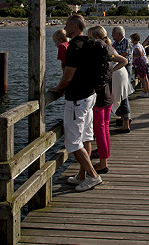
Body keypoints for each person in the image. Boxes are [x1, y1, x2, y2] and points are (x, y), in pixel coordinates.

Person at [48, 14, 103, 192]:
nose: (64, 28)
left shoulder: (74, 47)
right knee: (86, 135)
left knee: (73, 141)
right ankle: (82, 175)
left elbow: (67, 76)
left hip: (77, 98)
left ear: (74, 26)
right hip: (90, 95)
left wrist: (57, 89)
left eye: (66, 25)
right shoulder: (89, 43)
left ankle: (93, 176)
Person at [86, 25, 127, 173]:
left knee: (99, 129)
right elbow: (124, 61)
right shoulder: (109, 49)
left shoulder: (97, 51)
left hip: (100, 95)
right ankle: (105, 158)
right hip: (109, 93)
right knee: (105, 128)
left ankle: (103, 163)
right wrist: (111, 71)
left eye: (89, 37)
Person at [111, 26, 134, 132]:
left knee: (124, 95)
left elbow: (123, 56)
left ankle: (127, 121)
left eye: (114, 34)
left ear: (120, 34)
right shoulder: (114, 44)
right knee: (119, 94)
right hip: (118, 69)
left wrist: (113, 57)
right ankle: (123, 117)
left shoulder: (127, 42)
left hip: (125, 68)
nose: (112, 36)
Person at [130, 33, 149, 97]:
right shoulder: (139, 45)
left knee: (143, 77)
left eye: (132, 39)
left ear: (134, 39)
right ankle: (147, 91)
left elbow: (139, 54)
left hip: (140, 63)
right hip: (144, 62)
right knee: (145, 77)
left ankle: (145, 91)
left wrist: (132, 55)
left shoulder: (136, 46)